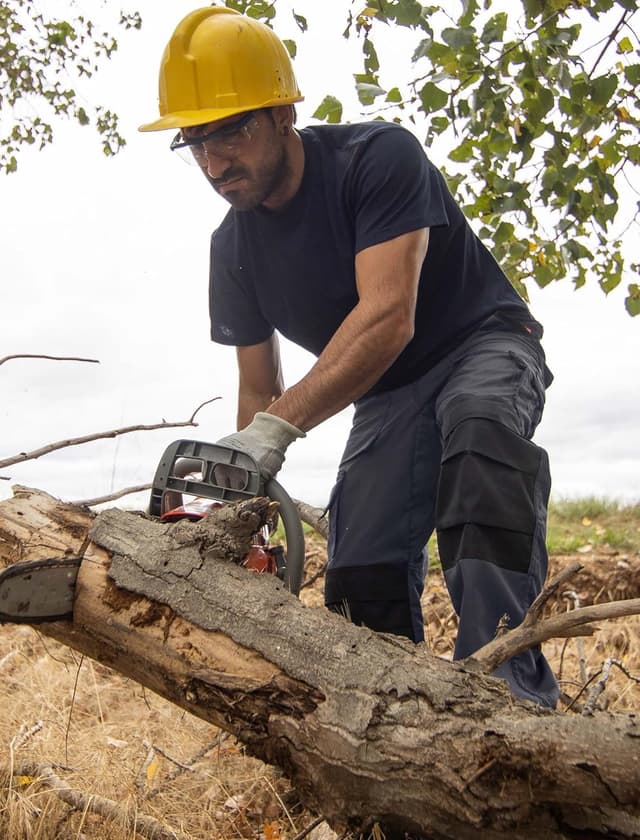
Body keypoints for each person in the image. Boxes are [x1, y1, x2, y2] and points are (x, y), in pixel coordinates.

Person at [140, 6, 559, 710]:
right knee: (358, 566)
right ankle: (393, 720)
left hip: (481, 343)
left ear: (282, 112)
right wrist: (246, 497)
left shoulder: (378, 159)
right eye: (195, 144)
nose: (214, 164)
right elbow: (257, 389)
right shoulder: (232, 250)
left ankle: (509, 701)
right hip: (389, 392)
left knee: (482, 448)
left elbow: (389, 317)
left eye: (231, 133)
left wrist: (274, 432)